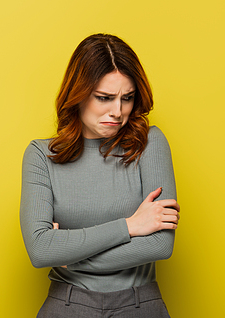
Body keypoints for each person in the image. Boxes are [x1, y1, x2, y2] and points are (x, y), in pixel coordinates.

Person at [20, 33, 180, 317]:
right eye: (104, 98)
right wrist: (130, 226)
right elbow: (41, 250)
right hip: (67, 305)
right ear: (78, 94)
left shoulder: (150, 144)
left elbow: (160, 244)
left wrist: (70, 255)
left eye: (127, 98)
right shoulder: (41, 156)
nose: (118, 112)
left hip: (139, 305)